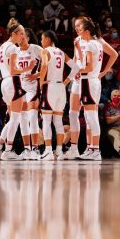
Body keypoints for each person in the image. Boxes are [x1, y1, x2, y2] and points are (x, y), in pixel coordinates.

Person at [62, 17, 118, 161]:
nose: (76, 29)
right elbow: (77, 61)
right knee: (73, 113)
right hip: (79, 80)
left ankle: (93, 148)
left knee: (89, 115)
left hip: (89, 79)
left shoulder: (96, 41)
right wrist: (70, 77)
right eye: (75, 27)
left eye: (78, 26)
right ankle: (74, 148)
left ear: (86, 28)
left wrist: (103, 73)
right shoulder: (79, 41)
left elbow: (113, 54)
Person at [0, 19, 33, 160]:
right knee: (15, 118)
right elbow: (14, 69)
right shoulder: (13, 48)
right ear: (14, 34)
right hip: (14, 81)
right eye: (21, 33)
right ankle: (8, 150)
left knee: (15, 118)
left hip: (5, 82)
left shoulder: (2, 47)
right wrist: (28, 67)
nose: (23, 36)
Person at [38, 30, 79, 160]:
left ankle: (48, 151)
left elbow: (44, 65)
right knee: (58, 121)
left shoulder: (46, 51)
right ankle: (59, 151)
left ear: (48, 39)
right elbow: (76, 67)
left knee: (46, 120)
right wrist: (66, 81)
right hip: (61, 88)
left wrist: (40, 82)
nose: (41, 42)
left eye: (42, 39)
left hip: (50, 86)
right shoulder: (61, 52)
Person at [17, 28, 44, 159]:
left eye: (22, 37)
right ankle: (27, 149)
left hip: (33, 87)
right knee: (22, 119)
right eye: (18, 37)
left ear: (28, 38)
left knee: (32, 117)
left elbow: (49, 64)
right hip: (20, 86)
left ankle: (36, 149)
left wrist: (37, 75)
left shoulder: (36, 48)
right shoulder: (15, 51)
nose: (20, 39)